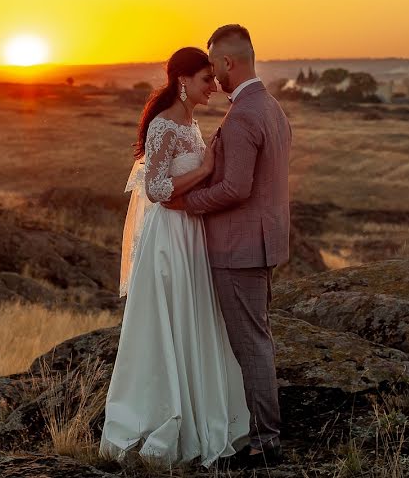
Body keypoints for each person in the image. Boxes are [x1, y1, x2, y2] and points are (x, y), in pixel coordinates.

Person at [99, 47, 250, 467]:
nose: (213, 87)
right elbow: (157, 190)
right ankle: (164, 415)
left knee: (195, 317)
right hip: (169, 236)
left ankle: (202, 412)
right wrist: (204, 170)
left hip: (191, 232)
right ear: (183, 80)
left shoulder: (190, 122)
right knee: (170, 318)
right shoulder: (163, 125)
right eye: (206, 79)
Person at [165, 24, 292, 468]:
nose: (213, 74)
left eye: (216, 63)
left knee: (251, 344)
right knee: (257, 338)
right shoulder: (271, 107)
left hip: (239, 248)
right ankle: (260, 433)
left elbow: (236, 188)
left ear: (229, 62)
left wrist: (186, 204)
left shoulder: (242, 115)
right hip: (262, 242)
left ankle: (263, 443)